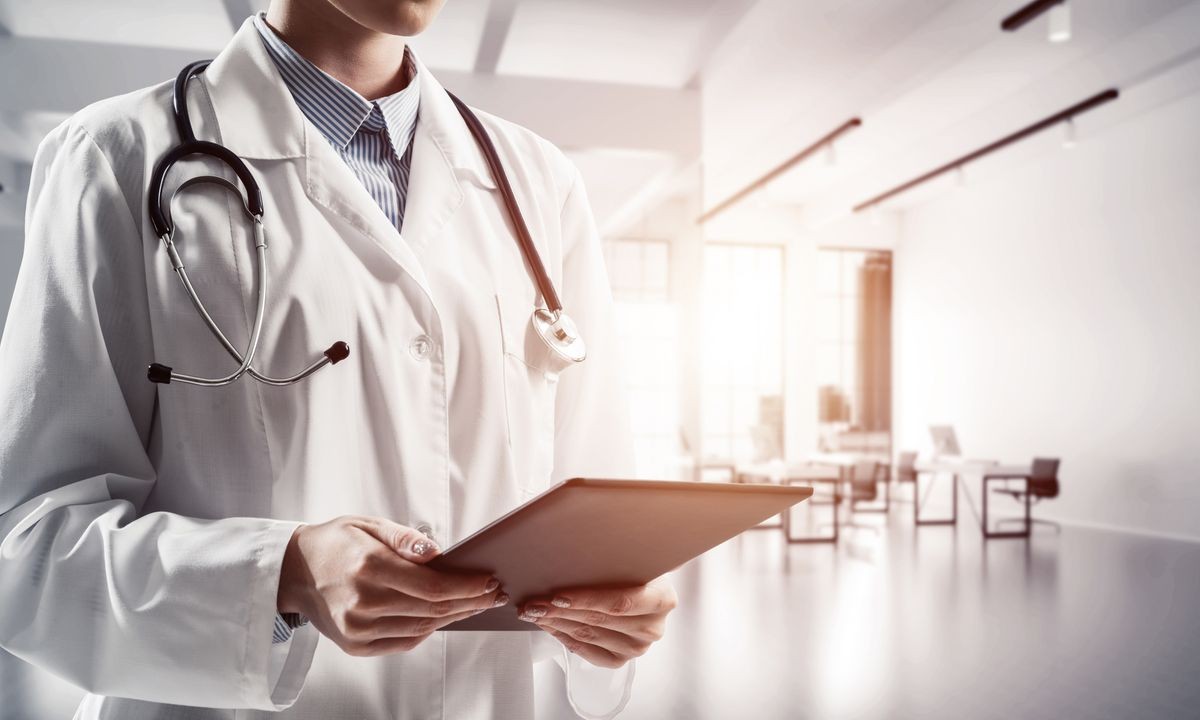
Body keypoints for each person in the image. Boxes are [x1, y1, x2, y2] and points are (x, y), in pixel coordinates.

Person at [0, 0, 676, 717]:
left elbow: (596, 517)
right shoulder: (114, 157)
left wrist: (617, 613)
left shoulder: (540, 183)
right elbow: (28, 542)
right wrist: (281, 575)